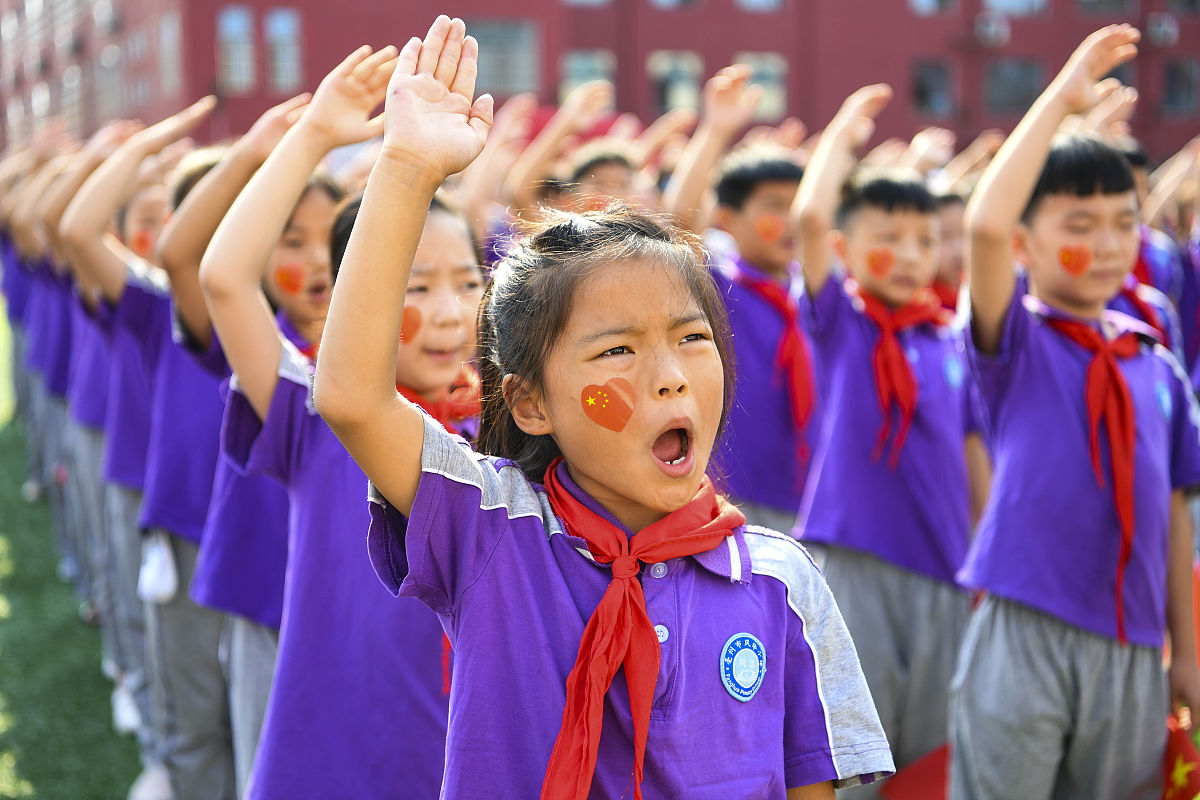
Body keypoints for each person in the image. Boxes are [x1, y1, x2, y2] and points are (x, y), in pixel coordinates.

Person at [314, 17, 894, 799]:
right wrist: (409, 169)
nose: (670, 377)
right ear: (528, 402)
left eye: (691, 337)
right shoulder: (491, 530)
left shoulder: (780, 580)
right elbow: (351, 397)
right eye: (618, 350)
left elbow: (807, 786)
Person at [199, 43, 473, 799]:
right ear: (365, 294)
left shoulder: (513, 438)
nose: (450, 312)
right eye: (418, 285)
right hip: (323, 762)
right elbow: (224, 279)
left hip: (458, 764)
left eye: (468, 283)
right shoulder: (319, 415)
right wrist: (316, 134)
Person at [954, 26, 1200, 799]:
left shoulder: (1154, 362)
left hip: (1132, 643)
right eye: (1078, 226)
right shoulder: (1018, 343)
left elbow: (1173, 509)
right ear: (1028, 243)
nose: (1105, 246)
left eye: (1123, 224)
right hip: (1027, 625)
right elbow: (985, 225)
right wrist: (1061, 99)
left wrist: (1185, 651)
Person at [791, 84, 990, 797]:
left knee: (934, 742)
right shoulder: (843, 324)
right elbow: (811, 216)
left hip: (943, 565)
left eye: (925, 241)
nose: (910, 256)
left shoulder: (952, 339)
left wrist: (985, 553)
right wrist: (842, 135)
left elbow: (974, 454)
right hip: (857, 558)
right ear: (848, 251)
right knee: (856, 736)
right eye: (888, 241)